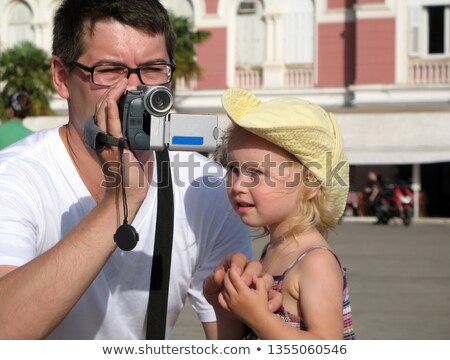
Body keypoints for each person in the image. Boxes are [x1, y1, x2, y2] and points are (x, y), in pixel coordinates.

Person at [0, 0, 268, 340]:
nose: (134, 88)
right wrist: (119, 203)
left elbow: (225, 342)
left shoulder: (206, 186)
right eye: (110, 69)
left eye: (153, 69)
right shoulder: (15, 178)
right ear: (62, 77)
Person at [203, 88, 356, 340]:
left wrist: (258, 318)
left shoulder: (315, 262)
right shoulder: (273, 251)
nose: (238, 184)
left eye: (256, 173)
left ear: (309, 185)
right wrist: (224, 307)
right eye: (233, 168)